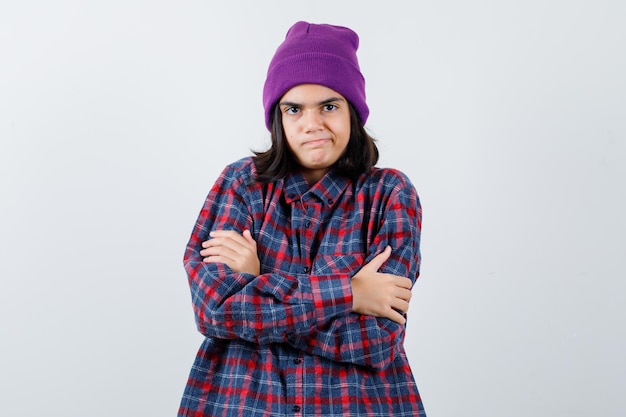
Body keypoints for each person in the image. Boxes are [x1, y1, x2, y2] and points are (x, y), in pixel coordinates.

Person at [178, 21, 426, 416]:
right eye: (294, 109)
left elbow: (378, 339)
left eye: (329, 106)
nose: (312, 124)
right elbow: (215, 309)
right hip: (239, 404)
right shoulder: (241, 182)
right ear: (278, 117)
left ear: (353, 112)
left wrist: (260, 285)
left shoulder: (390, 194)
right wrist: (349, 294)